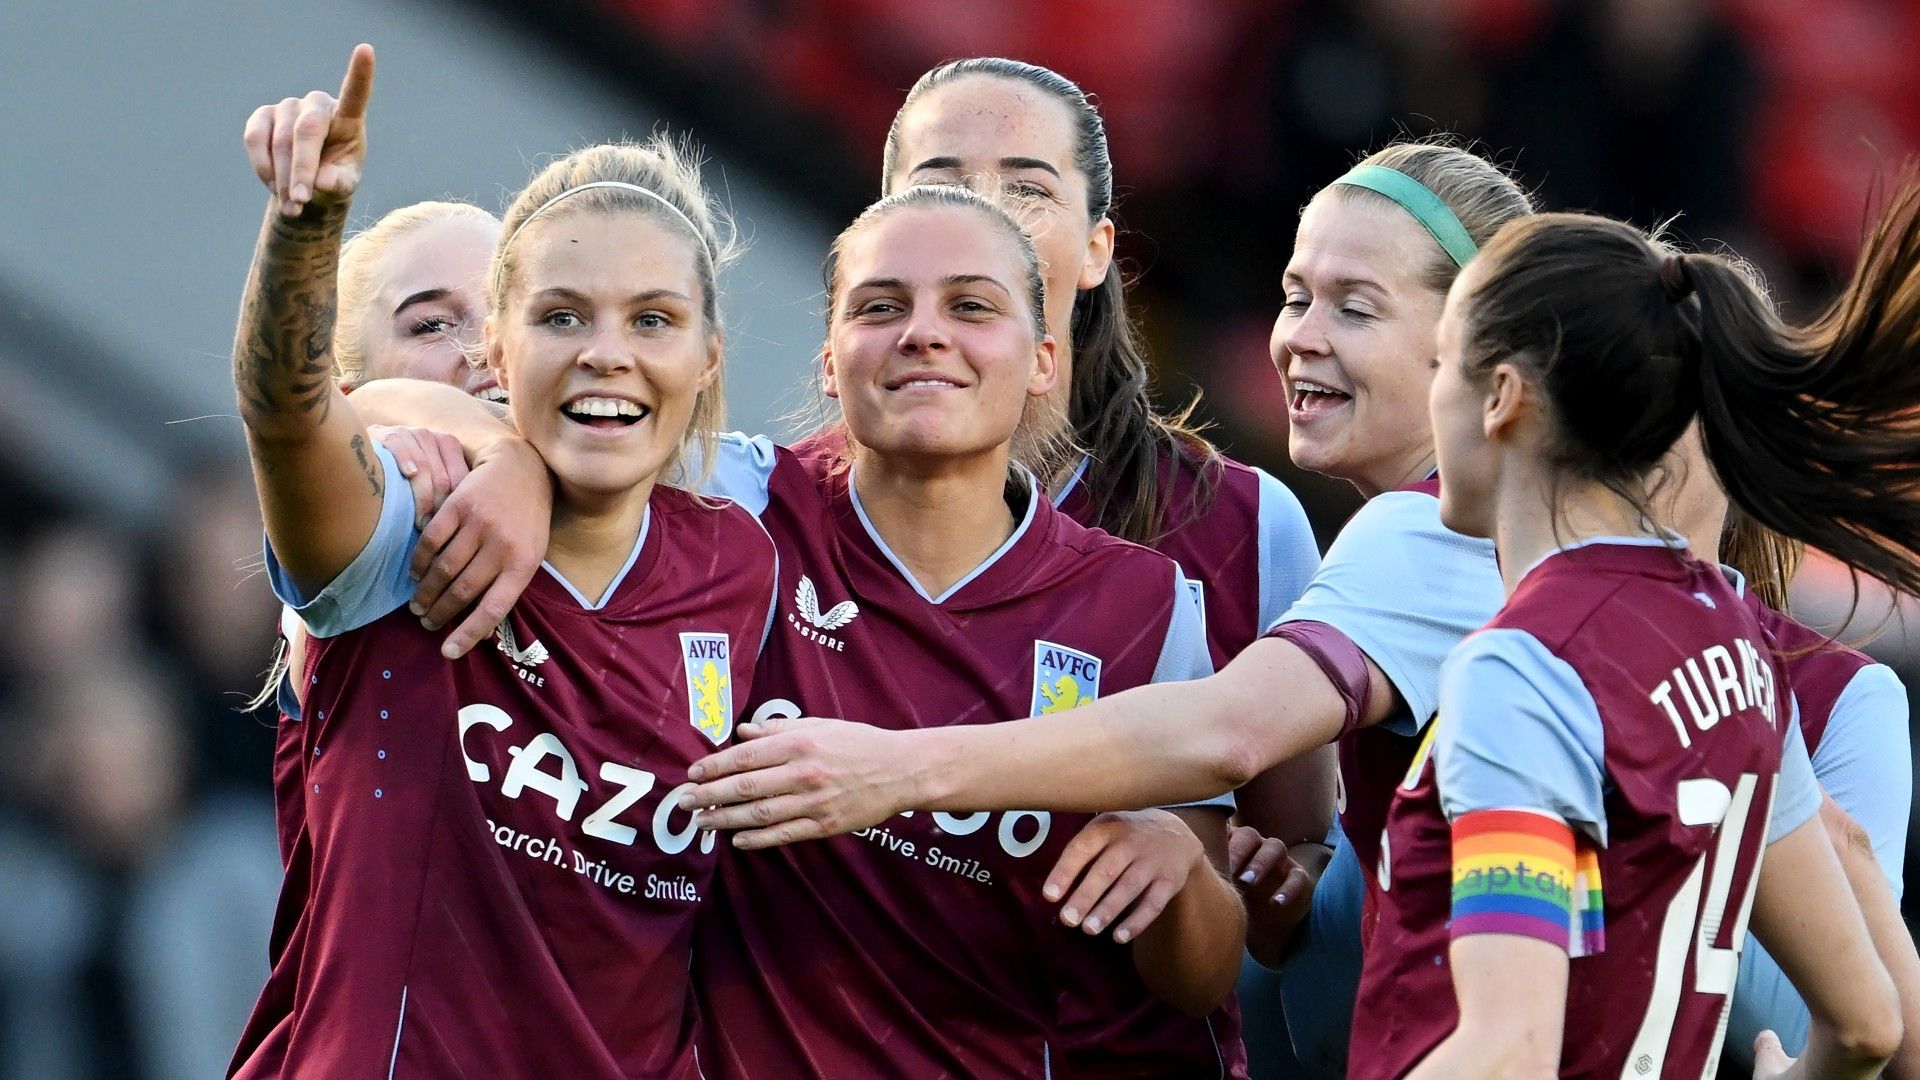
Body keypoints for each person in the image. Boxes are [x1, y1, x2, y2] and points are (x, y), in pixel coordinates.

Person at [679, 138, 1533, 1075]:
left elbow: (1232, 737)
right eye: (1294, 297)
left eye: (1356, 307)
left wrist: (896, 770)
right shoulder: (743, 501)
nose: (1299, 337)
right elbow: (1301, 872)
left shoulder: (1397, 540)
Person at [365, 180, 1256, 1077]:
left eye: (972, 307)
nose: (924, 333)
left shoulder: (1144, 606)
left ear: (1044, 361)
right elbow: (375, 411)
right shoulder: (736, 506)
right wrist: (508, 457)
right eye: (880, 306)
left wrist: (1178, 864)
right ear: (829, 359)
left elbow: (1204, 973)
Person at [224, 46, 777, 1078]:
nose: (479, 353)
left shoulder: (744, 555)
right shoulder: (395, 531)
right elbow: (288, 412)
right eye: (434, 324)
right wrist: (307, 233)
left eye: (500, 313)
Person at [1354, 200, 1920, 1077]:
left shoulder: (1525, 666)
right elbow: (1869, 1025)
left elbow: (1510, 1052)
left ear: (1502, 396)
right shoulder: (1734, 642)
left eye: (1442, 364)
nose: (1434, 397)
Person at [877, 57, 1325, 1073]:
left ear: (1095, 250)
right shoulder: (770, 508)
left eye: (1029, 187)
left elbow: (1300, 861)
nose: (982, 212)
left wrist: (1245, 875)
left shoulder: (1243, 527)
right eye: (941, 179)